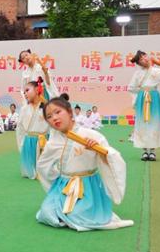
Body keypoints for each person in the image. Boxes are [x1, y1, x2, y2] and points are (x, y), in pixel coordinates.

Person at [35, 94, 133, 231]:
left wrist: (99, 150)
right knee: (46, 213)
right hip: (64, 186)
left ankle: (80, 211)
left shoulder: (91, 135)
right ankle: (64, 210)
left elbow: (111, 158)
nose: (54, 118)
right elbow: (42, 165)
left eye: (58, 112)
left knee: (78, 216)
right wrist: (56, 177)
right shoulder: (53, 141)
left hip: (87, 187)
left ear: (70, 112)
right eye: (49, 116)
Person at [127, 50, 160, 161]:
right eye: (140, 59)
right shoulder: (137, 73)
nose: (144, 59)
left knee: (155, 123)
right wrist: (139, 94)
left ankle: (153, 151)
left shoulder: (157, 71)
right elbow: (131, 88)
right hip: (142, 98)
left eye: (144, 56)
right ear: (139, 63)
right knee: (143, 123)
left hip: (154, 98)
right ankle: (145, 151)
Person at [16, 81, 49, 179]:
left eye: (27, 90)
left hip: (43, 140)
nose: (25, 94)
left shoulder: (46, 107)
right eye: (24, 92)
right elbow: (20, 128)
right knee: (29, 173)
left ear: (36, 90)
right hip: (28, 141)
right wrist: (21, 144)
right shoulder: (24, 109)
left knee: (45, 171)